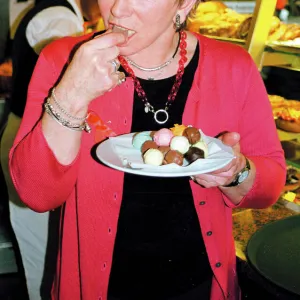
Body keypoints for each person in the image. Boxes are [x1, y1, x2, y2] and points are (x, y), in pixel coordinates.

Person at [9, 0, 286, 299]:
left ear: (185, 4)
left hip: (199, 285)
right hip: (94, 287)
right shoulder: (64, 60)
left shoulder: (233, 65)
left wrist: (235, 171)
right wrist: (72, 93)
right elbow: (36, 194)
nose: (117, 9)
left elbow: (270, 186)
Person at [0, 0, 102, 299]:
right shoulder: (58, 16)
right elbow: (78, 82)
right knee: (48, 255)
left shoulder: (50, 9)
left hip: (26, 133)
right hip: (38, 144)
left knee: (39, 247)